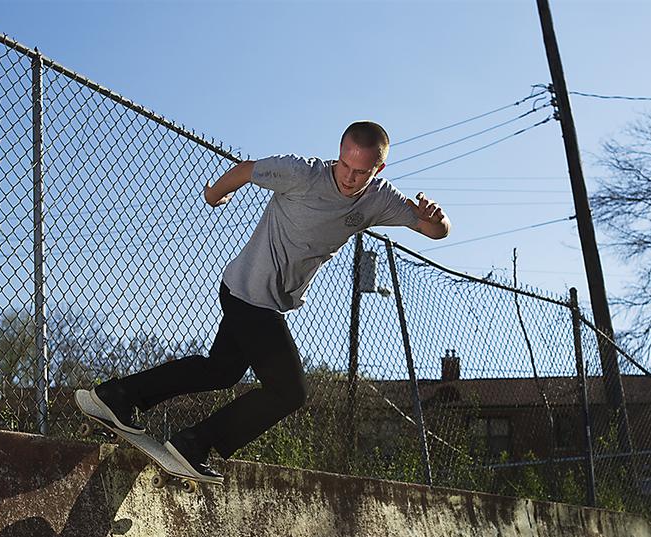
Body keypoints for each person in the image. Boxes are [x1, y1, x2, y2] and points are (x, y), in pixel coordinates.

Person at [80, 120, 451, 483]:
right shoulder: (303, 174)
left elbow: (433, 230)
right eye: (344, 165)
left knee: (221, 371)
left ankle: (118, 396)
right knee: (289, 391)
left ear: (378, 167)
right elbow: (245, 171)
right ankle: (194, 442)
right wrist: (214, 195)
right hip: (247, 293)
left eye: (360, 171)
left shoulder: (379, 199)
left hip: (266, 300)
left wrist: (438, 219)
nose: (348, 177)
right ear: (337, 154)